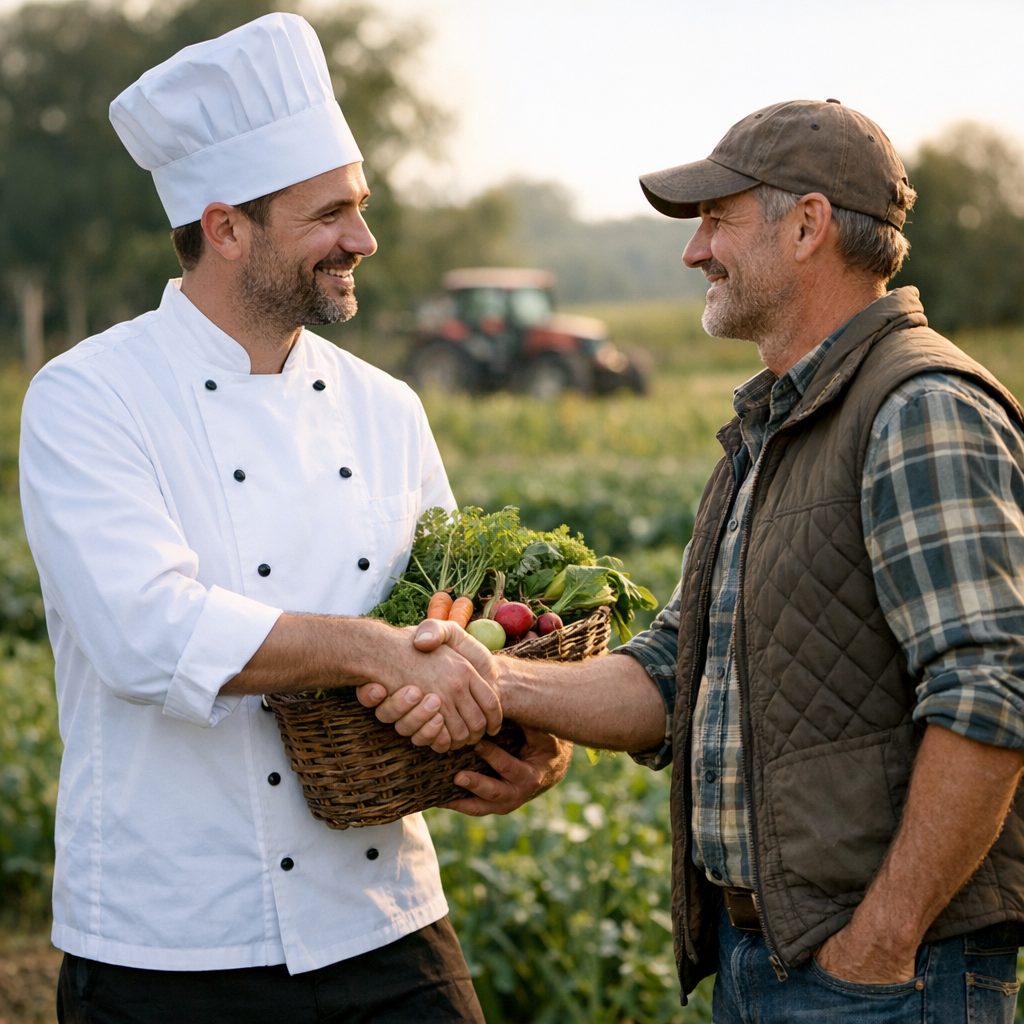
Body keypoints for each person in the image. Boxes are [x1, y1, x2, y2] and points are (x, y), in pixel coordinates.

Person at [364, 98, 1024, 1022]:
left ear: (807, 226)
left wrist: (882, 941)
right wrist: (491, 678)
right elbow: (677, 668)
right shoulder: (777, 424)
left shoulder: (918, 407)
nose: (694, 250)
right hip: (768, 962)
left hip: (880, 979)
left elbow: (991, 689)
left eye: (717, 218)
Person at [18, 13, 570, 1023]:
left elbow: (451, 622)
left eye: (358, 206)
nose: (362, 238)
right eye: (330, 214)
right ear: (225, 227)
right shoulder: (89, 394)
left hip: (382, 918)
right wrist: (375, 651)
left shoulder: (386, 408)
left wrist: (520, 740)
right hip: (171, 942)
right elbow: (147, 635)